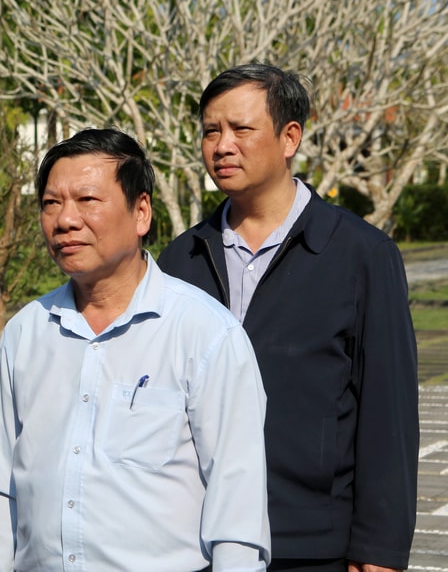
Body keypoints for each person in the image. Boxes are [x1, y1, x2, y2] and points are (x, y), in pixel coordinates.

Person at [0, 129, 270, 571]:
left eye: (87, 201)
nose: (65, 220)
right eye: (51, 203)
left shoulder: (205, 334)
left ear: (141, 211)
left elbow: (237, 509)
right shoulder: (26, 333)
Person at [158, 64, 418, 571]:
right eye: (211, 131)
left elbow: (389, 413)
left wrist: (380, 548)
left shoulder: (361, 255)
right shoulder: (180, 259)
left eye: (241, 129)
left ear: (289, 137)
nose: (222, 145)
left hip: (310, 544)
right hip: (193, 541)